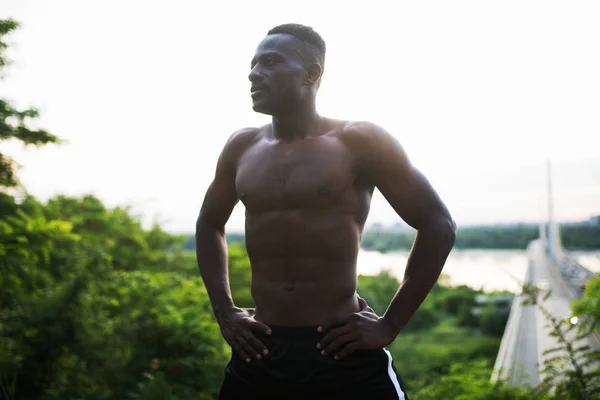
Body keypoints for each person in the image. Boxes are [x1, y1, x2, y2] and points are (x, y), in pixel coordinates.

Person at [195, 23, 456, 400]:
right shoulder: (241, 147)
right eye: (253, 65)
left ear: (312, 72)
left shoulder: (358, 140)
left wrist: (389, 325)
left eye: (270, 62)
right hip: (260, 348)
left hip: (340, 347)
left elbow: (438, 225)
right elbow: (209, 224)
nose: (254, 73)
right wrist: (225, 311)